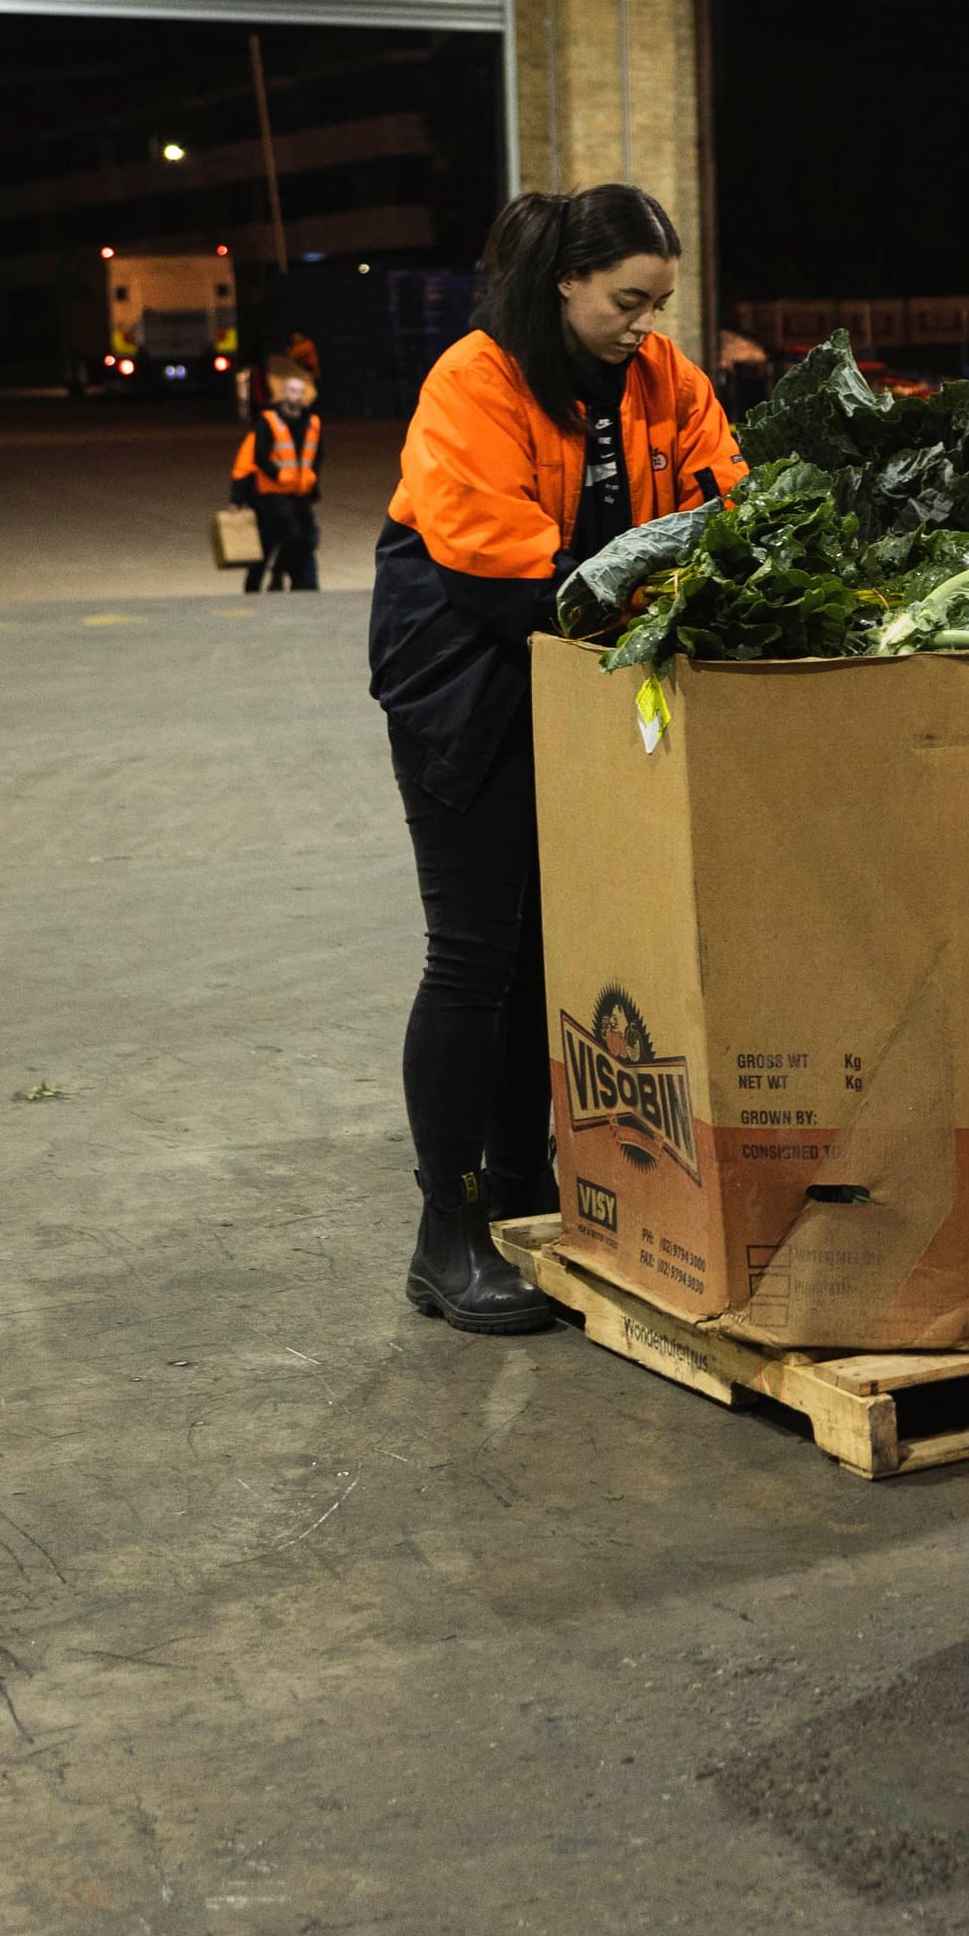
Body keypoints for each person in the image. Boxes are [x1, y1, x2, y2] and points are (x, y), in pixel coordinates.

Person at [369, 184, 743, 1333]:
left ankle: (526, 1193)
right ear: (566, 281)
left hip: (579, 670)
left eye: (661, 302)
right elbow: (498, 568)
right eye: (627, 300)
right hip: (468, 681)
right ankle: (449, 1230)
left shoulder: (662, 378)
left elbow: (723, 494)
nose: (646, 324)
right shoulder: (474, 382)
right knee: (475, 955)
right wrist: (647, 576)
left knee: (551, 961)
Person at [228, 358, 323, 592]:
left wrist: (311, 481)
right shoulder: (268, 422)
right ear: (282, 394)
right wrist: (238, 497)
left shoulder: (312, 422)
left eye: (301, 392)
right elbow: (253, 459)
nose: (297, 396)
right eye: (292, 391)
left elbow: (317, 455)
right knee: (273, 543)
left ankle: (290, 581)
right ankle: (256, 587)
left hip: (299, 494)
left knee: (300, 541)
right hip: (270, 496)